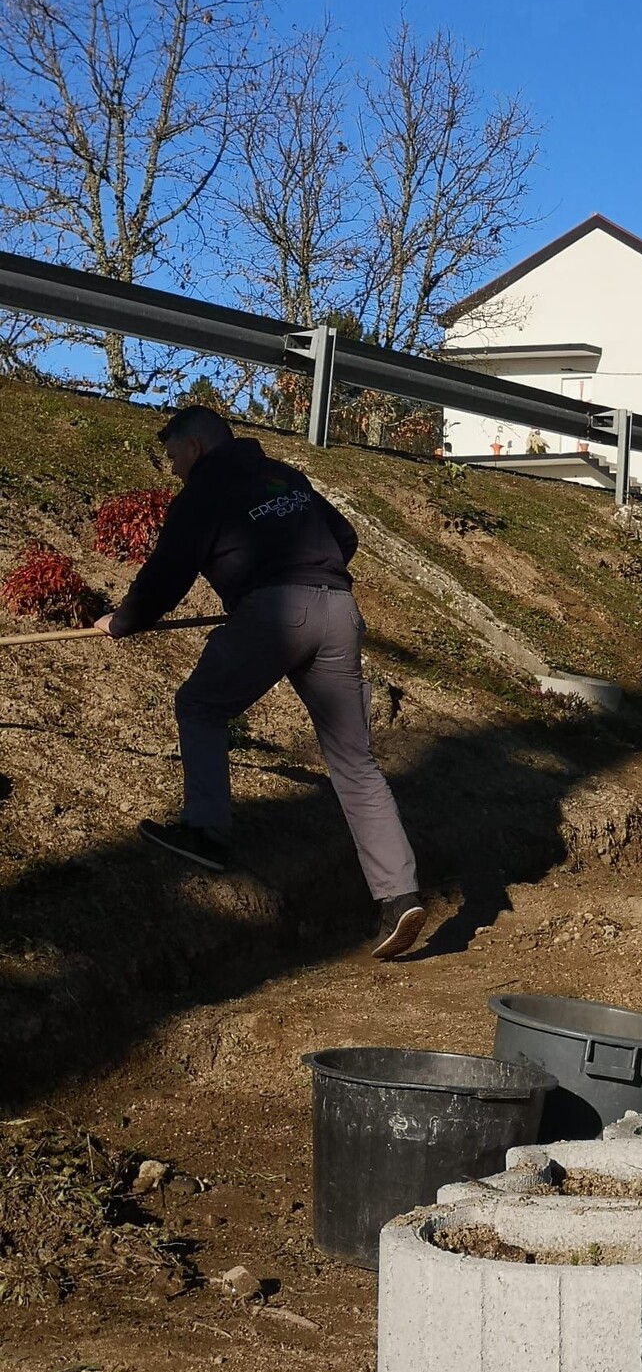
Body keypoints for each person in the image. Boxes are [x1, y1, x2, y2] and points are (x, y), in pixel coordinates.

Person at [94, 405, 427, 961]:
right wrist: (311, 575)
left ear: (195, 446)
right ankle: (400, 897)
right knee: (354, 760)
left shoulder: (204, 490)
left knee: (199, 705)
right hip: (339, 611)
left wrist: (123, 621)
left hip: (278, 615)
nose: (173, 468)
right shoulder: (283, 476)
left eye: (173, 456)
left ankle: (205, 832)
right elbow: (343, 536)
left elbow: (168, 572)